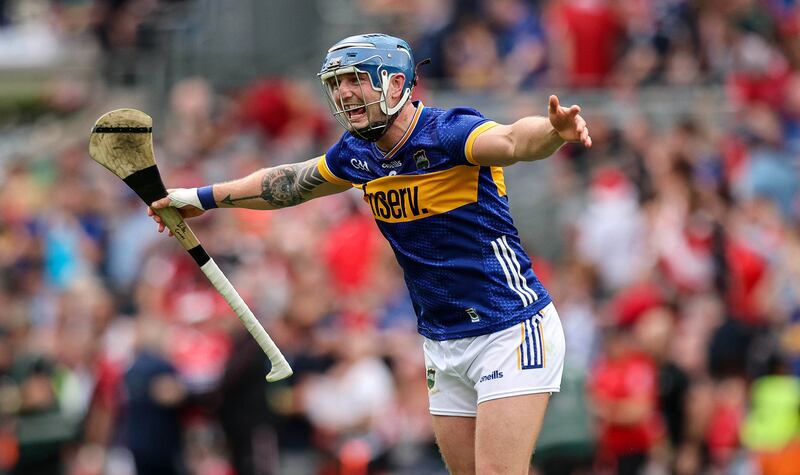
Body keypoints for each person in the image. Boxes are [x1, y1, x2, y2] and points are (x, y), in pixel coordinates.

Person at [149, 33, 592, 474]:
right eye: (336, 83)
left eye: (355, 79)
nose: (344, 93)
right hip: (443, 340)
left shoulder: (448, 132)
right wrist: (201, 198)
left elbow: (513, 140)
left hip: (509, 327)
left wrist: (553, 132)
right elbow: (289, 183)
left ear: (396, 84)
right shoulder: (357, 154)